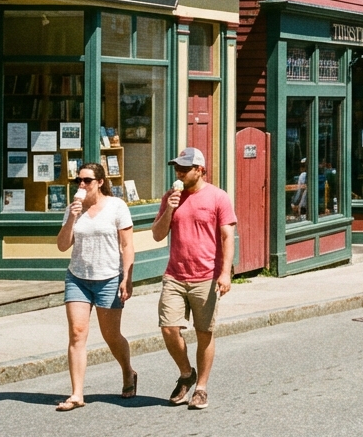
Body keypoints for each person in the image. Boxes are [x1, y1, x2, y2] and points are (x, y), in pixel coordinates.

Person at [151, 148, 236, 410]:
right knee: (168, 328)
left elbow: (226, 237)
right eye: (177, 168)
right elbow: (157, 235)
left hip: (205, 276)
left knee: (204, 333)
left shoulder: (218, 197)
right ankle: (187, 373)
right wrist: (170, 209)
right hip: (175, 275)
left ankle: (201, 388)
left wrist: (225, 272)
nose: (179, 173)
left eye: (185, 169)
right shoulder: (171, 197)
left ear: (200, 169)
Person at [53, 163, 136, 411]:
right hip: (78, 277)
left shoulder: (116, 207)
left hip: (109, 276)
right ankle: (77, 394)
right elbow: (62, 245)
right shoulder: (72, 209)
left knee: (111, 335)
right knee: (77, 333)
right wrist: (72, 218)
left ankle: (128, 372)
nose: (81, 185)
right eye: (78, 181)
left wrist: (127, 277)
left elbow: (127, 245)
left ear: (100, 182)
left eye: (87, 180)